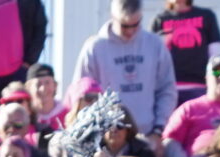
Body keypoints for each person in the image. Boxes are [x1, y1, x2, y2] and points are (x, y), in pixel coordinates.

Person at [73, 1, 180, 148]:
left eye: (135, 24)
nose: (130, 31)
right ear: (112, 17)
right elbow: (82, 94)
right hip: (108, 137)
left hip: (146, 135)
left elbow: (167, 89)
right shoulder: (95, 48)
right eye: (124, 25)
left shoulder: (154, 45)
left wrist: (158, 129)